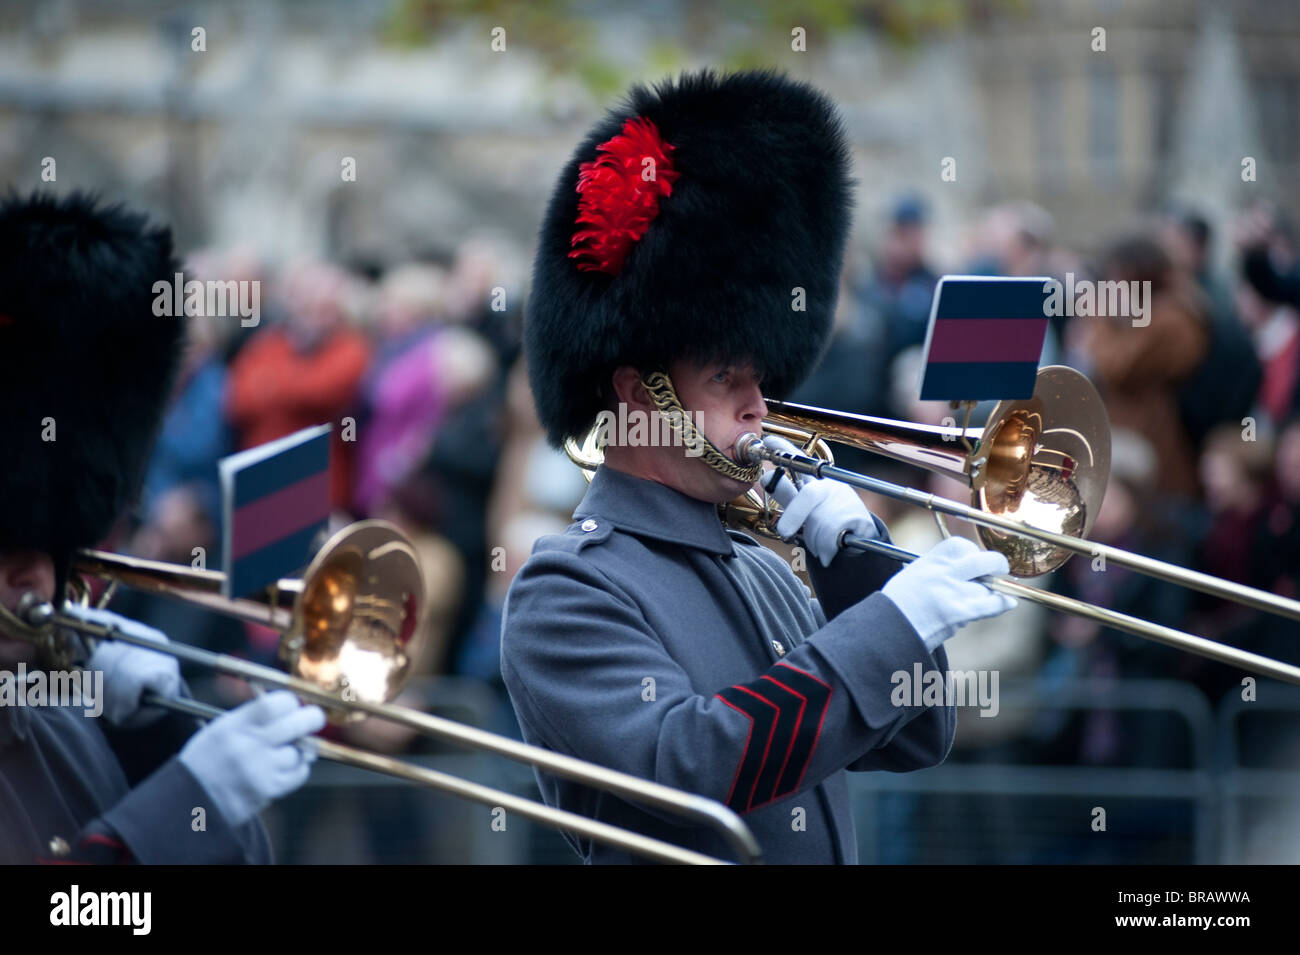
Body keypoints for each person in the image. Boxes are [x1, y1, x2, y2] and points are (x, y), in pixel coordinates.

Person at [500, 69, 1017, 864]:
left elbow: (912, 739)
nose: (760, 406)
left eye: (760, 378)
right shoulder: (569, 587)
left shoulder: (763, 567)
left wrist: (863, 568)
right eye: (726, 379)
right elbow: (686, 761)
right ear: (641, 393)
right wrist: (892, 623)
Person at [0, 191, 325, 864]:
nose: (32, 573)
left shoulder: (63, 707)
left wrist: (155, 739)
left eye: (47, 543)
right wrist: (187, 799)